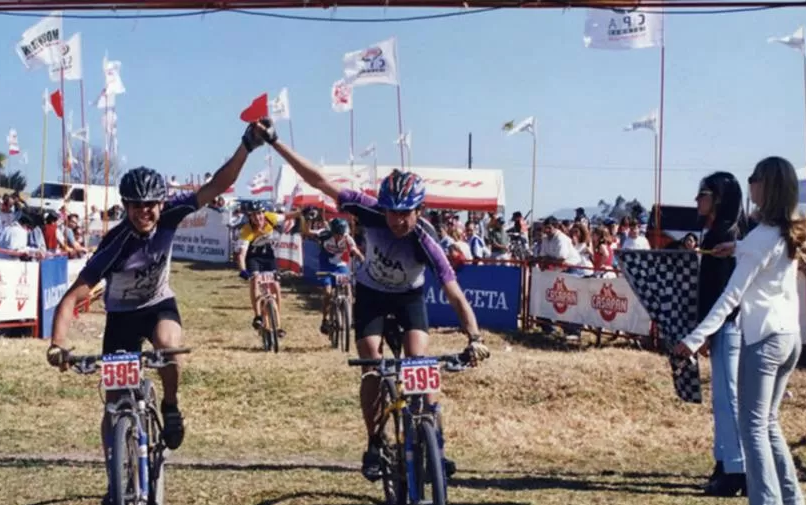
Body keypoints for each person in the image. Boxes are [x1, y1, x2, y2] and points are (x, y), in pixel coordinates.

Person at [258, 117, 490, 481]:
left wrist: (474, 337)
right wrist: (275, 143)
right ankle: (373, 441)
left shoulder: (426, 242)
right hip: (371, 295)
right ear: (382, 207)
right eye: (391, 212)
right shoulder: (369, 210)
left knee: (418, 360)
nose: (397, 220)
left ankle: (435, 445)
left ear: (419, 210)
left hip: (408, 299)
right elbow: (318, 179)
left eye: (405, 213)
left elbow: (454, 293)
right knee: (372, 362)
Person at [46, 122, 262, 485]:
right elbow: (71, 299)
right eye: (136, 206)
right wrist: (57, 344)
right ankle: (116, 479)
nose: (144, 212)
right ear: (125, 205)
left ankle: (171, 404)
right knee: (114, 403)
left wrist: (246, 146)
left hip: (159, 305)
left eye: (150, 205)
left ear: (161, 203)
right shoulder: (114, 244)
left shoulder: (172, 215)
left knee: (168, 348)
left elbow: (217, 185)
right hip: (122, 318)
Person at [674, 156, 806, 505]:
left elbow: (729, 297)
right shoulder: (782, 233)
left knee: (752, 426)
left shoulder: (761, 238)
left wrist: (694, 338)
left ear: (765, 187)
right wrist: (735, 248)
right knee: (768, 422)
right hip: (789, 339)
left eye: (754, 179)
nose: (748, 185)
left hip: (763, 340)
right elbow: (757, 255)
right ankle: (791, 501)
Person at [694, 172, 747, 497]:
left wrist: (708, 329)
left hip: (728, 325)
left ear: (719, 198)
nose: (697, 200)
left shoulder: (725, 235)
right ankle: (725, 459)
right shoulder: (716, 233)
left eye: (703, 193)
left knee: (728, 399)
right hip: (722, 325)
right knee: (723, 399)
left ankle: (736, 468)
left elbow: (724, 290)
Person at [234, 199, 286, 338]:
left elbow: (288, 216)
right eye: (254, 215)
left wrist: (301, 212)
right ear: (249, 217)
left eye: (260, 214)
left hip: (269, 257)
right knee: (255, 279)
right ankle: (257, 316)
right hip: (253, 258)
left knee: (276, 285)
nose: (258, 217)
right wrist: (243, 271)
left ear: (264, 213)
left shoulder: (271, 217)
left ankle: (279, 325)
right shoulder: (246, 230)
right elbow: (241, 255)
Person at [304, 216, 365, 335]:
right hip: (326, 264)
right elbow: (307, 232)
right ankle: (325, 319)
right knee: (327, 292)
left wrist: (363, 260)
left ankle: (349, 316)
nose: (340, 237)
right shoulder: (324, 234)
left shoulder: (347, 237)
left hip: (340, 264)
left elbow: (355, 250)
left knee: (347, 286)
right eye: (337, 234)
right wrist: (308, 220)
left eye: (342, 234)